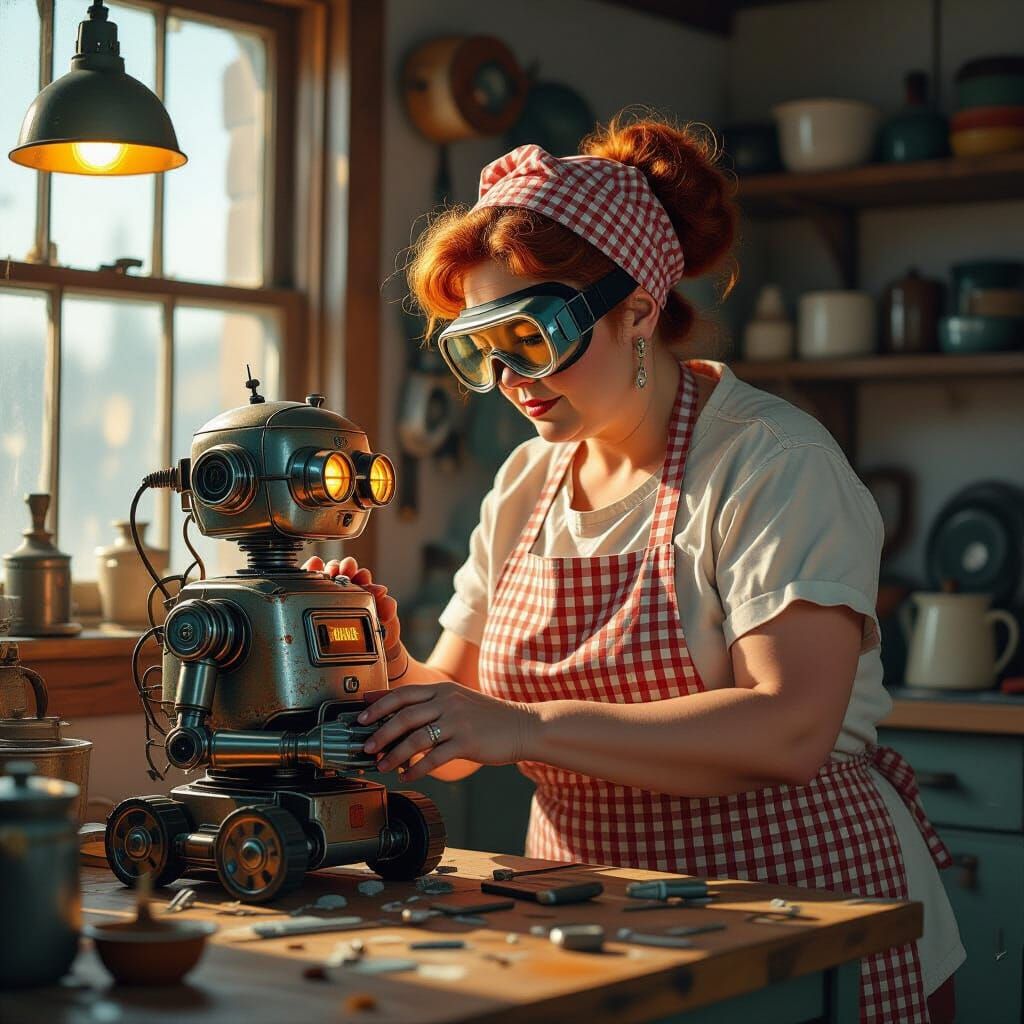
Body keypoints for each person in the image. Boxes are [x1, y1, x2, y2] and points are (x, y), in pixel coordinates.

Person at [304, 114, 962, 1023]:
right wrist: (383, 660)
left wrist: (524, 727)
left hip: (794, 904)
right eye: (482, 350)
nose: (511, 379)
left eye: (532, 335)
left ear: (639, 311)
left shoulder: (770, 462)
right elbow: (456, 727)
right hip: (582, 910)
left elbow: (789, 729)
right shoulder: (527, 480)